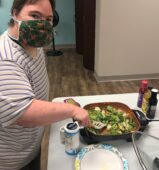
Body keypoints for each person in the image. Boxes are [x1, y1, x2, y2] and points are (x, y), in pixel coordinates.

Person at [0, 0, 91, 170]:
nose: (42, 24)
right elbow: (23, 113)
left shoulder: (34, 44)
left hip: (31, 146)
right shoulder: (5, 57)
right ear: (14, 13)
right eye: (35, 15)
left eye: (48, 19)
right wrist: (72, 110)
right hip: (12, 160)